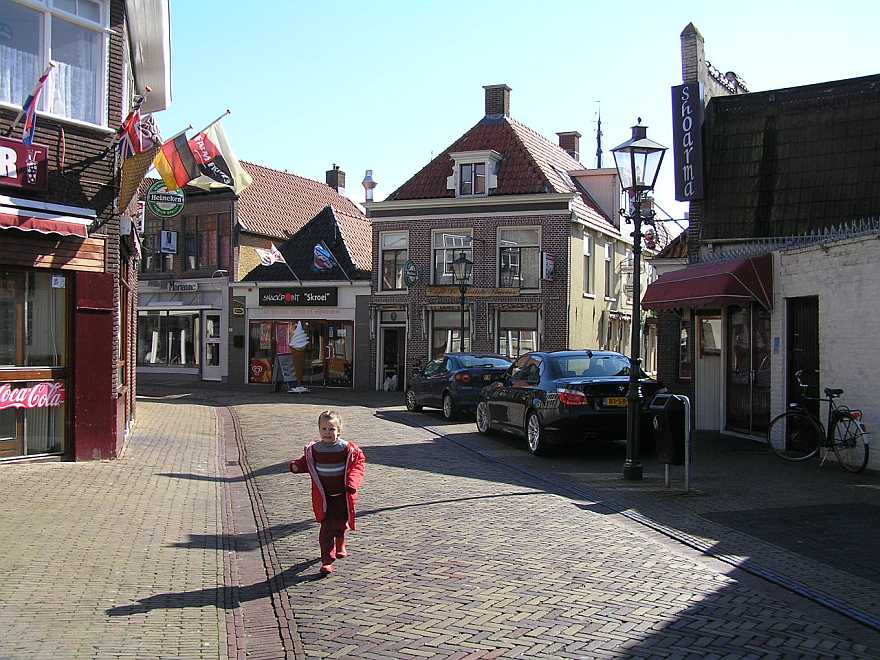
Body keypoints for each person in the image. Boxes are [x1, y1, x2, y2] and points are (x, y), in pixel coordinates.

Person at [289, 410, 366, 575]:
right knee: (326, 529)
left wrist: (351, 482)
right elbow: (307, 462)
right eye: (324, 429)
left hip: (343, 496)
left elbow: (358, 465)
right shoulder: (314, 449)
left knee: (340, 524)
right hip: (324, 497)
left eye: (331, 429)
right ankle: (327, 560)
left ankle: (340, 542)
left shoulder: (347, 449)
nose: (327, 433)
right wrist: (297, 466)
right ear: (319, 430)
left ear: (339, 430)